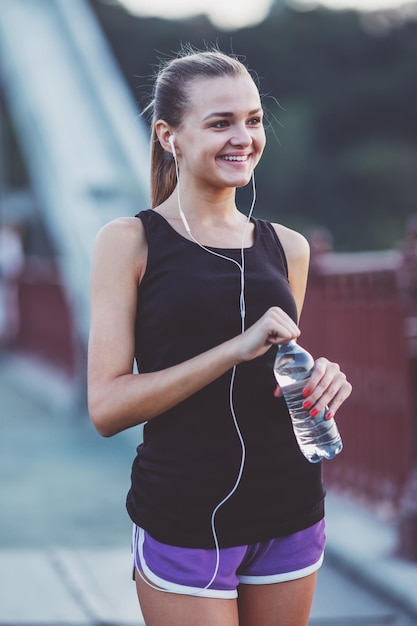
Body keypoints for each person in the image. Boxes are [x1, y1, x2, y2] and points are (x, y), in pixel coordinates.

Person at [88, 46, 352, 626]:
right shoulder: (129, 241)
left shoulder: (288, 247)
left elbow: (277, 371)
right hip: (185, 516)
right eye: (220, 122)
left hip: (293, 507)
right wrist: (233, 349)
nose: (245, 137)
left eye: (254, 120)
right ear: (169, 135)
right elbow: (106, 409)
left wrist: (321, 379)